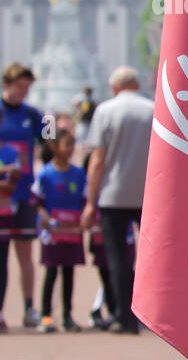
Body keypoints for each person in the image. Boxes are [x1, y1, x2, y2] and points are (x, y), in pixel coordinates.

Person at [80, 66, 153, 334]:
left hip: (113, 194)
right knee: (151, 258)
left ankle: (124, 316)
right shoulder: (153, 109)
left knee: (118, 258)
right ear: (137, 84)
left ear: (114, 88)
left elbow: (97, 160)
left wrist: (90, 201)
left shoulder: (105, 111)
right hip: (149, 195)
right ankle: (153, 314)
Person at [1, 62, 45, 331]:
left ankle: (30, 308)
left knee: (26, 254)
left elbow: (54, 139)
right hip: (2, 196)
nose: (23, 92)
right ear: (7, 84)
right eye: (19, 87)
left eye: (27, 88)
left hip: (25, 192)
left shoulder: (33, 114)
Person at [32, 129, 86, 332]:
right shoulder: (46, 173)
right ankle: (46, 316)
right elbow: (36, 200)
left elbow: (84, 200)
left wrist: (83, 218)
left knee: (69, 273)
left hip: (71, 232)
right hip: (52, 233)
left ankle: (67, 317)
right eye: (67, 145)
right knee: (51, 272)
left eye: (73, 145)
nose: (71, 149)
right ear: (54, 147)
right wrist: (44, 216)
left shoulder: (78, 174)